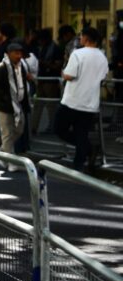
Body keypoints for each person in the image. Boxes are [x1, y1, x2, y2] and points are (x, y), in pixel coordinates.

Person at [54, 27, 108, 172]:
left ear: (86, 38)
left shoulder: (77, 54)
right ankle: (80, 163)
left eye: (81, 36)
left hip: (73, 100)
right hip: (90, 102)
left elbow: (69, 75)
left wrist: (63, 73)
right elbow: (103, 77)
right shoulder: (103, 56)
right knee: (81, 132)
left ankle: (88, 149)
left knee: (59, 128)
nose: (80, 38)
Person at [0, 41, 30, 172]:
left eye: (20, 53)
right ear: (8, 54)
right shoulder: (2, 67)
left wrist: (25, 104)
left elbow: (22, 85)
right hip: (4, 106)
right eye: (16, 53)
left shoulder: (21, 67)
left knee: (19, 130)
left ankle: (2, 152)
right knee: (7, 133)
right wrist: (6, 99)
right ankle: (10, 162)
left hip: (17, 105)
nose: (19, 56)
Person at [31, 28, 63, 134]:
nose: (40, 42)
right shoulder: (41, 48)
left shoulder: (55, 49)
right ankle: (33, 127)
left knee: (51, 106)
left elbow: (58, 65)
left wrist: (44, 63)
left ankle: (53, 126)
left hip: (51, 80)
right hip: (41, 79)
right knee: (38, 105)